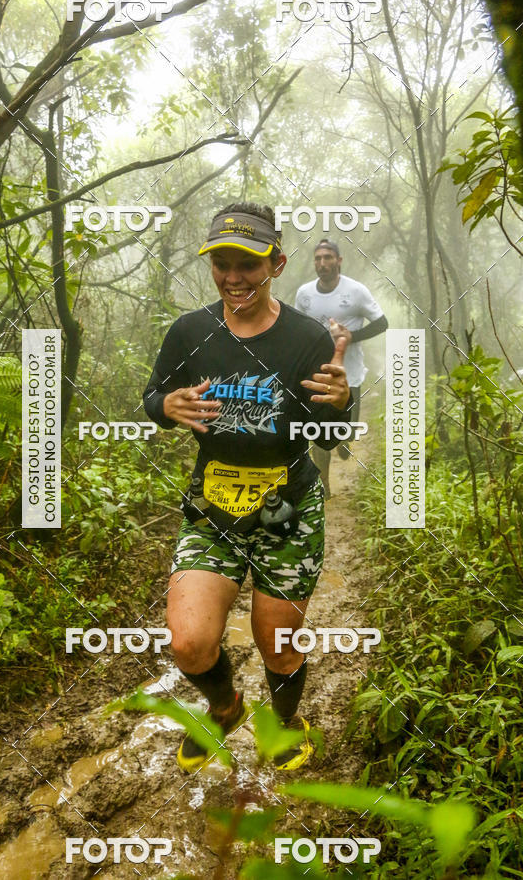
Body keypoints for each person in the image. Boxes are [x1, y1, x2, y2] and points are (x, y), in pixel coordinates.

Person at [143, 204, 352, 773]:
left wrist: (341, 403)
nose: (233, 277)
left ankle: (284, 724)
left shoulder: (306, 339)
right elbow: (153, 397)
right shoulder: (190, 331)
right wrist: (166, 404)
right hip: (213, 504)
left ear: (277, 263)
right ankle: (226, 706)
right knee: (188, 641)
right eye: (222, 264)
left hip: (287, 504)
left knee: (278, 644)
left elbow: (328, 438)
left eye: (248, 264)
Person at [294, 240, 388, 497]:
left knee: (343, 430)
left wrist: (349, 336)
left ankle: (344, 440)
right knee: (318, 431)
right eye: (318, 259)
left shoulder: (356, 291)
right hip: (317, 375)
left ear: (339, 260)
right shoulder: (304, 294)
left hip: (350, 375)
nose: (322, 264)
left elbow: (382, 324)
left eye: (327, 258)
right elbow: (298, 331)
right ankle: (323, 483)